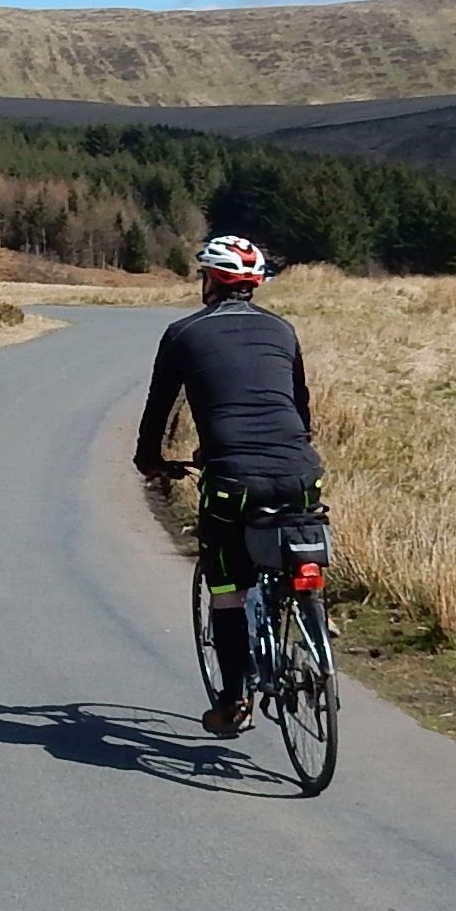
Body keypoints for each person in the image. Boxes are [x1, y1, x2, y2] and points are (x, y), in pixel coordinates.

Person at [134, 234, 324, 737]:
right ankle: (312, 620)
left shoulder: (183, 333)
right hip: (301, 473)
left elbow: (159, 408)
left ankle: (233, 700)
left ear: (211, 281)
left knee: (226, 589)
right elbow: (300, 409)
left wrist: (149, 461)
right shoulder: (282, 329)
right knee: (298, 549)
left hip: (233, 481)